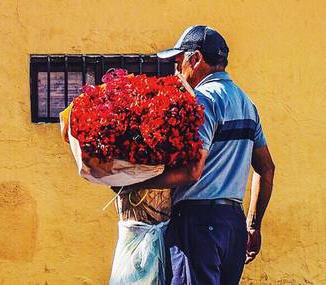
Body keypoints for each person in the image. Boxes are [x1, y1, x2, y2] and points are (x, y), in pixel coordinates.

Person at [117, 25, 275, 284]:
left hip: (198, 225)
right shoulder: (247, 104)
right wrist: (253, 225)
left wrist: (135, 183)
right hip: (233, 226)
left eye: (179, 62)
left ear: (197, 59)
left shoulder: (202, 101)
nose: (177, 71)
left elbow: (193, 170)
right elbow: (267, 169)